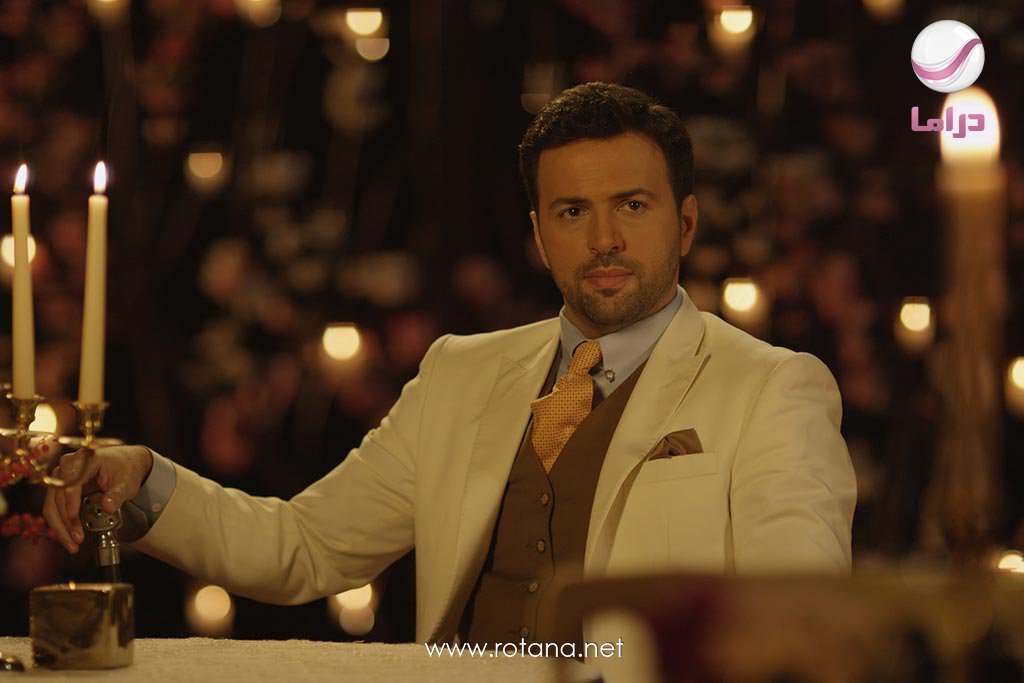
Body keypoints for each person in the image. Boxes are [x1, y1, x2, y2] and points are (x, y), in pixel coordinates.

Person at [44, 82, 856, 648]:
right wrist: (144, 479)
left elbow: (800, 622)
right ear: (539, 235)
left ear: (685, 224)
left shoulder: (772, 387)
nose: (604, 239)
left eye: (632, 206)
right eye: (573, 211)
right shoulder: (460, 373)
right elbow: (304, 545)